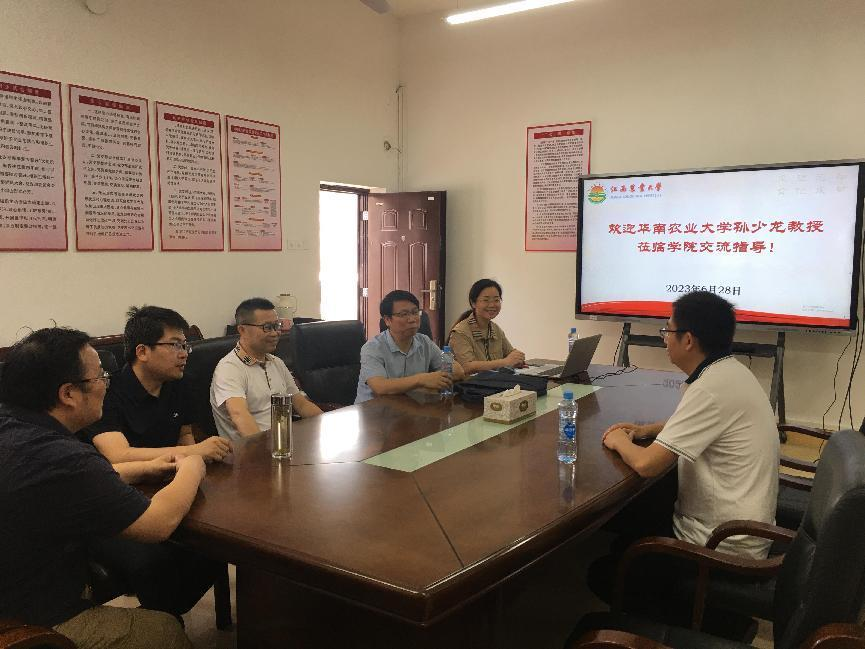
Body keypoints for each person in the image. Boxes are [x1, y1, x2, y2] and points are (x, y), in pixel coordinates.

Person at [0, 327, 203, 649]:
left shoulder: (16, 428)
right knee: (164, 629)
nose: (106, 385)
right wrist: (192, 464)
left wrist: (143, 468)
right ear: (68, 393)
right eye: (100, 376)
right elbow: (157, 523)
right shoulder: (61, 455)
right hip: (28, 619)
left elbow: (57, 482)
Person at [601, 290, 779, 558]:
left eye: (668, 330)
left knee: (606, 565)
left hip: (720, 544)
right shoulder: (729, 371)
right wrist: (647, 430)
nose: (664, 338)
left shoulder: (710, 389)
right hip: (744, 527)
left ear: (687, 340)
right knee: (636, 511)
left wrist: (618, 440)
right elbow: (700, 425)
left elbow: (647, 464)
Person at [80, 305, 230, 619]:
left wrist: (193, 460)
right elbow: (117, 455)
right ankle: (161, 624)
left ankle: (163, 618)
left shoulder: (180, 384)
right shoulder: (107, 391)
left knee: (222, 544)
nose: (184, 353)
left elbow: (185, 436)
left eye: (185, 345)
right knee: (153, 564)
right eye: (175, 345)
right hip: (115, 500)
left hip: (169, 485)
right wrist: (194, 453)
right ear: (142, 351)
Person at [211, 297, 322, 440]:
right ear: (242, 330)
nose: (275, 333)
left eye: (277, 326)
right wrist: (265, 450)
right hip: (250, 449)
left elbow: (301, 405)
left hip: (283, 443)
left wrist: (326, 427)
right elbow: (239, 415)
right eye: (267, 327)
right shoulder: (229, 368)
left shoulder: (276, 362)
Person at [355, 290, 465, 403]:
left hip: (410, 407)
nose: (412, 319)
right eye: (404, 314)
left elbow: (458, 371)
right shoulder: (372, 348)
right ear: (387, 320)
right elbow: (380, 387)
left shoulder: (425, 342)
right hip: (374, 410)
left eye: (415, 312)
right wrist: (422, 380)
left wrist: (437, 378)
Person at [447, 278, 525, 374]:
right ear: (473, 303)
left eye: (496, 300)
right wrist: (505, 362)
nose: (492, 305)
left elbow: (511, 353)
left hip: (494, 381)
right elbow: (467, 367)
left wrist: (517, 358)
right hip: (471, 383)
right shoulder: (460, 332)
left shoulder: (495, 329)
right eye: (486, 300)